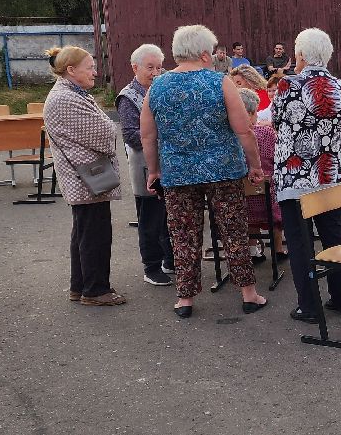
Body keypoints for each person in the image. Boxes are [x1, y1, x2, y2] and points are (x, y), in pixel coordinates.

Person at [141, 24, 268, 320]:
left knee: (183, 234)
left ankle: (185, 299)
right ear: (203, 54)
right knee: (233, 231)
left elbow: (148, 135)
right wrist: (255, 165)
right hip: (223, 171)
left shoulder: (158, 86)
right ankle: (248, 293)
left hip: (177, 173)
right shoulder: (220, 83)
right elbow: (244, 130)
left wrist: (154, 170)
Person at [273, 27, 341, 322]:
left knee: (300, 241)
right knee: (336, 238)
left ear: (302, 55)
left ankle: (309, 306)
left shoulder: (287, 85)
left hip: (296, 179)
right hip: (330, 175)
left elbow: (277, 121)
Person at [42, 45, 124, 307]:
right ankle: (95, 290)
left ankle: (81, 286)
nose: (95, 72)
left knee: (84, 233)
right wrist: (110, 128)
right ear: (71, 70)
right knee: (95, 235)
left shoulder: (71, 93)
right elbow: (104, 134)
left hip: (85, 179)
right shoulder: (65, 99)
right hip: (87, 181)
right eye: (90, 67)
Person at [116, 43, 174, 286]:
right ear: (135, 67)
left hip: (168, 164)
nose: (156, 72)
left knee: (169, 216)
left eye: (159, 67)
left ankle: (170, 260)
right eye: (150, 67)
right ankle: (151, 266)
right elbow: (130, 134)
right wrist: (161, 136)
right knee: (150, 218)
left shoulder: (162, 89)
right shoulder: (128, 96)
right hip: (144, 166)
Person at [237, 87, 286, 260]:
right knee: (273, 189)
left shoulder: (231, 137)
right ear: (250, 113)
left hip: (241, 197)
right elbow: (279, 159)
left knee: (249, 207)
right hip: (267, 196)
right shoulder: (266, 133)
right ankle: (278, 249)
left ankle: (252, 250)